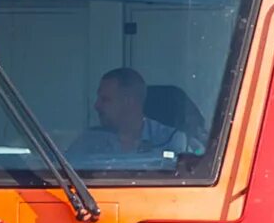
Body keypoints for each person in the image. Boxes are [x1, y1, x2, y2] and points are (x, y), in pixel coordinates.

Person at [73, 66, 201, 162]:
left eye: (105, 99)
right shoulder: (88, 141)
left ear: (129, 102)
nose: (96, 105)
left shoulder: (171, 140)